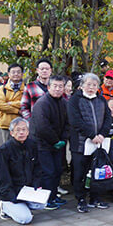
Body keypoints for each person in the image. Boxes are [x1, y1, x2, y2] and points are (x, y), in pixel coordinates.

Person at [67, 73, 112, 213]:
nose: (91, 87)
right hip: (80, 144)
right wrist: (92, 135)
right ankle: (80, 199)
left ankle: (95, 197)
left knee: (96, 171)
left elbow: (108, 118)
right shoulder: (75, 100)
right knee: (80, 172)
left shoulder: (101, 100)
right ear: (82, 85)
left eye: (94, 85)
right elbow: (75, 121)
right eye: (88, 84)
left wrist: (102, 134)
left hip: (98, 143)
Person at [0, 117, 44, 224]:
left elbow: (38, 168)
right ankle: (5, 207)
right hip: (12, 192)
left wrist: (36, 185)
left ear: (28, 131)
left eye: (24, 129)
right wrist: (11, 196)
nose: (21, 132)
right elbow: (1, 177)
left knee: (41, 204)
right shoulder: (4, 150)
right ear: (11, 133)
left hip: (27, 190)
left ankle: (22, 205)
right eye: (17, 130)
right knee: (25, 219)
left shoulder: (32, 145)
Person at [30, 75, 68, 210]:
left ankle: (53, 195)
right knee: (48, 172)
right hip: (42, 144)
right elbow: (42, 127)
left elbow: (67, 124)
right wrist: (55, 141)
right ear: (49, 87)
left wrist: (63, 139)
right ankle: (46, 200)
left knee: (57, 170)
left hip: (58, 145)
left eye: (60, 86)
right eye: (55, 86)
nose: (58, 89)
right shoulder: (42, 103)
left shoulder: (64, 102)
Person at [0, 63, 25, 143]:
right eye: (13, 72)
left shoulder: (26, 88)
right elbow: (0, 105)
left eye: (18, 72)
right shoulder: (2, 89)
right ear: (9, 74)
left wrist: (10, 103)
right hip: (6, 124)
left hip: (23, 125)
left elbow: (25, 103)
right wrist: (17, 111)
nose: (16, 74)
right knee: (8, 151)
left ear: (22, 74)